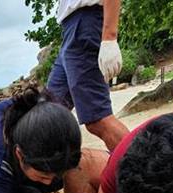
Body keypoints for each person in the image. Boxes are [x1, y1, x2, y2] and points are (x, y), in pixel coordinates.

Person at [47, 0, 129, 151]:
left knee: (98, 119)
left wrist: (109, 36)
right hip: (70, 30)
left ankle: (144, 169)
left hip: (85, 23)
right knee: (49, 113)